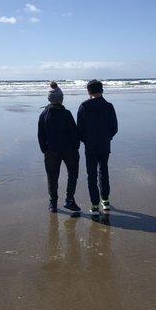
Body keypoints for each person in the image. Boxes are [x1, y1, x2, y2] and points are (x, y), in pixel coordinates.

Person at [38, 81, 81, 214]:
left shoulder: (44, 114)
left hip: (51, 150)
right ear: (61, 99)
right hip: (69, 150)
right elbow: (74, 132)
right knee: (72, 174)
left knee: (52, 177)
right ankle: (69, 200)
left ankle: (53, 204)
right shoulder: (66, 114)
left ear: (49, 100)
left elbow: (40, 135)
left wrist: (44, 149)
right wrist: (76, 146)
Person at [77, 80, 118, 216]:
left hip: (90, 145)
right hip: (104, 144)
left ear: (89, 91)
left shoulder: (84, 106)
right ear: (102, 90)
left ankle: (95, 205)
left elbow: (80, 129)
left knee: (91, 174)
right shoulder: (109, 106)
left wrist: (85, 140)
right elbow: (114, 128)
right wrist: (107, 138)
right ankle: (105, 201)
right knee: (104, 171)